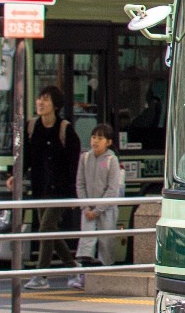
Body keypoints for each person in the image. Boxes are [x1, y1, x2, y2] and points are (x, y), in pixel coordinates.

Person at [23, 86, 81, 289]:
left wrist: (73, 194)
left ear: (55, 105)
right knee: (49, 231)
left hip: (60, 190)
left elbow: (74, 165)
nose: (40, 103)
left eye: (45, 100)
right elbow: (26, 158)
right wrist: (15, 175)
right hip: (40, 188)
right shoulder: (32, 127)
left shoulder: (66, 129)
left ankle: (41, 275)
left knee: (46, 227)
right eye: (39, 98)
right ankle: (74, 268)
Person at [76, 123, 124, 269]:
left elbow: (112, 190)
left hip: (106, 210)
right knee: (86, 244)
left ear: (108, 142)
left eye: (100, 138)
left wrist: (97, 210)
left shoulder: (111, 160)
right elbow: (80, 184)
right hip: (87, 210)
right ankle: (84, 276)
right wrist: (85, 208)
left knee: (106, 244)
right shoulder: (85, 158)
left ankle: (106, 275)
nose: (95, 141)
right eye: (93, 137)